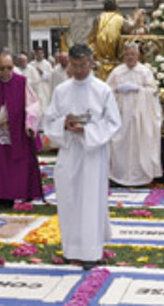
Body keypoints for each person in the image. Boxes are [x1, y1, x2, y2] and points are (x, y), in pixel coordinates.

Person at [43, 44, 121, 270]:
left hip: (93, 153)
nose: (78, 70)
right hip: (69, 152)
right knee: (69, 199)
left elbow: (113, 122)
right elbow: (49, 120)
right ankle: (71, 250)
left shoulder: (102, 90)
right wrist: (64, 125)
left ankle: (91, 252)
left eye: (83, 65)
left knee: (90, 201)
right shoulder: (62, 90)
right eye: (74, 65)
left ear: (91, 61)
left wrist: (88, 131)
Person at [0, 52, 43, 207]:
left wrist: (29, 124)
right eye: (2, 68)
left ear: (13, 67)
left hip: (18, 130)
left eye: (9, 68)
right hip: (0, 130)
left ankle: (23, 193)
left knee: (20, 165)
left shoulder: (22, 82)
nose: (6, 72)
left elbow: (33, 105)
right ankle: (3, 196)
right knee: (1, 165)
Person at [107, 43, 162, 186]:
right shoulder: (117, 72)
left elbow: (153, 91)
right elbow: (106, 92)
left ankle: (141, 176)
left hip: (140, 117)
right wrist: (117, 89)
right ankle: (119, 175)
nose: (130, 57)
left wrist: (138, 89)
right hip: (121, 115)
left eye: (132, 54)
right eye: (127, 54)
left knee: (140, 144)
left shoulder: (145, 72)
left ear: (138, 56)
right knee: (120, 144)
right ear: (123, 56)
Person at [87, 0, 130, 81]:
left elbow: (91, 38)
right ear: (116, 7)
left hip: (101, 63)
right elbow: (130, 30)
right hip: (117, 62)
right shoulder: (120, 19)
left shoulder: (98, 18)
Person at [30, 48, 53, 113]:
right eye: (38, 53)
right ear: (35, 54)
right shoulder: (31, 64)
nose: (39, 55)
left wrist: (42, 73)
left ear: (43, 54)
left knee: (44, 108)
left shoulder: (47, 64)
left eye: (41, 53)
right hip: (35, 89)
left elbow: (50, 77)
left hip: (44, 89)